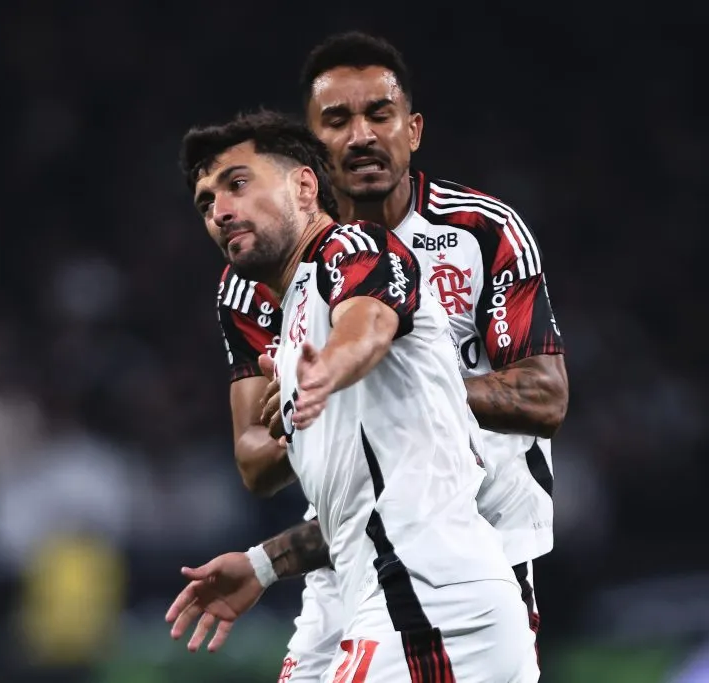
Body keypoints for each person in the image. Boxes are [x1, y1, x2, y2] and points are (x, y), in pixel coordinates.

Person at [169, 31, 568, 682]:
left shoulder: (436, 238)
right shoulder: (264, 291)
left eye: (377, 115)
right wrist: (267, 560)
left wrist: (353, 379)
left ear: (412, 129)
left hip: (457, 559)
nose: (359, 135)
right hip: (359, 555)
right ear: (314, 146)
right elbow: (277, 464)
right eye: (207, 201)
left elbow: (373, 328)